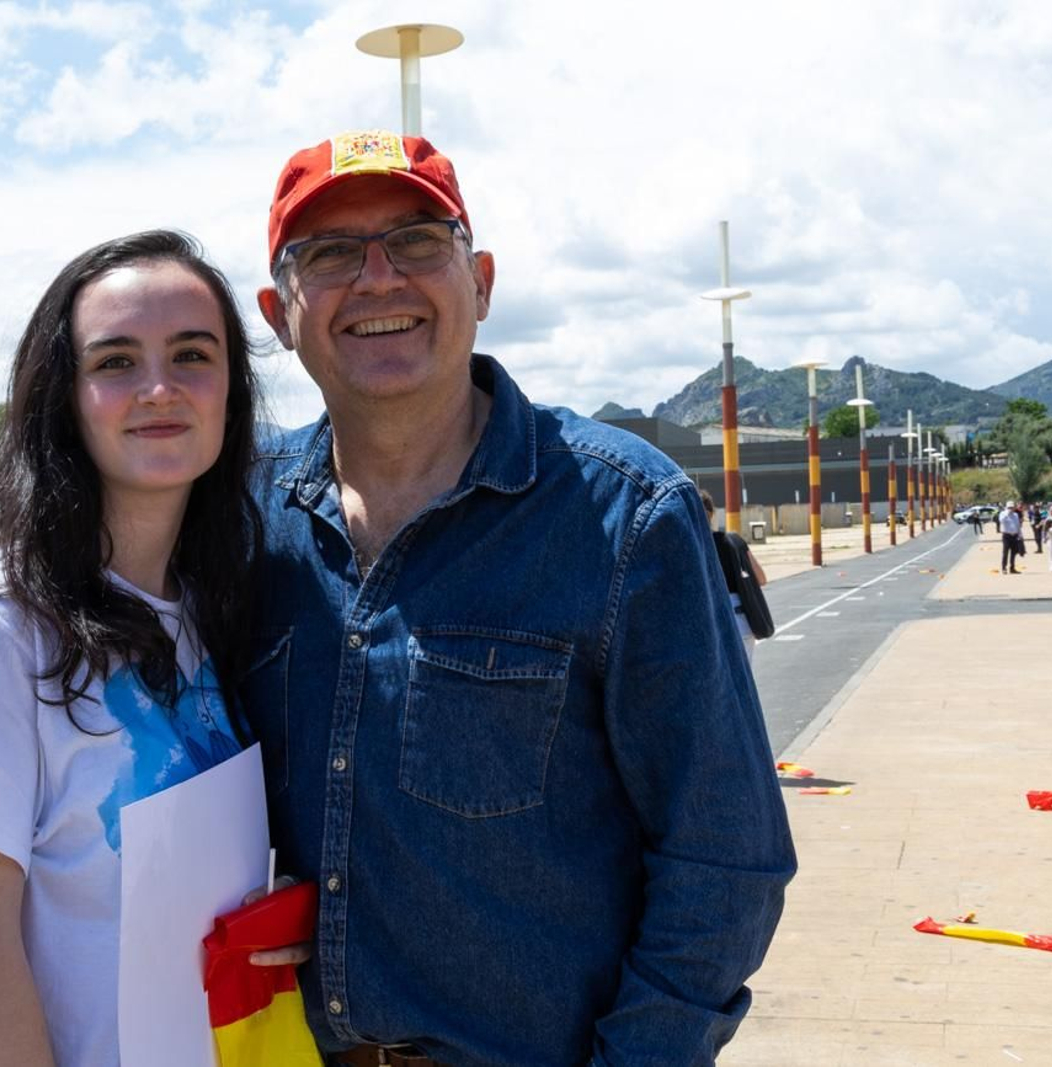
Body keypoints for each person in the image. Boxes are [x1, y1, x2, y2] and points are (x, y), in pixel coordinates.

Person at [246, 130, 795, 1066]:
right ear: (278, 312)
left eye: (419, 240)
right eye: (331, 254)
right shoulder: (246, 523)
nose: (378, 278)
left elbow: (725, 858)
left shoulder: (624, 517)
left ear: (483, 282)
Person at [0, 230, 300, 1067]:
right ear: (62, 397)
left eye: (192, 354)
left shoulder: (206, 607)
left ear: (231, 390)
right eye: (114, 362)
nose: (158, 388)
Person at [699, 489, 769, 661]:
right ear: (712, 514)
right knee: (744, 682)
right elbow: (761, 578)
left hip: (710, 626)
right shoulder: (735, 541)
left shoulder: (692, 547)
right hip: (742, 623)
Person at [999, 500, 1024, 573]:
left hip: (1014, 536)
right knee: (1005, 552)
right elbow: (1001, 521)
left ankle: (1012, 568)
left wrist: (1020, 535)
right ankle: (1004, 568)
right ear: (1006, 507)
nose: (1011, 509)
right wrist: (1007, 513)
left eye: (1012, 507)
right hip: (1006, 535)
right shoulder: (1003, 514)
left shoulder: (1015, 515)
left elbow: (1018, 525)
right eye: (1009, 507)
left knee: (1014, 553)